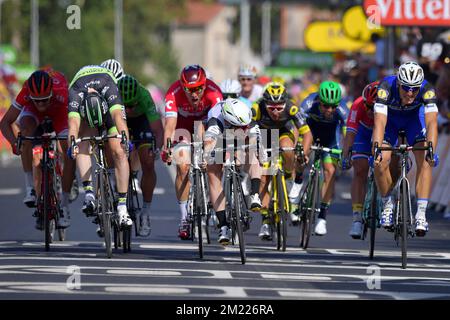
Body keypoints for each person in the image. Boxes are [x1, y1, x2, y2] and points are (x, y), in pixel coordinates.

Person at [2, 70, 75, 229]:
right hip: (32, 115)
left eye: (44, 100)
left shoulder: (62, 91)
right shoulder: (26, 91)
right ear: (31, 96)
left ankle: (64, 205)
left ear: (51, 93)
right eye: (37, 100)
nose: (41, 104)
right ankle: (30, 189)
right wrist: (15, 143)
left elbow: (76, 119)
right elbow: (5, 123)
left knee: (69, 151)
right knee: (25, 136)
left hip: (59, 113)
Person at [372, 61, 439, 236]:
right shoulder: (385, 86)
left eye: (414, 89)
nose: (410, 93)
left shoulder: (427, 89)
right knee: (380, 162)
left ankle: (421, 214)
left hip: (414, 122)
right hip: (390, 123)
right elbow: (379, 122)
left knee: (426, 159)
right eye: (406, 88)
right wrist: (377, 148)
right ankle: (387, 205)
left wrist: (431, 149)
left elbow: (432, 122)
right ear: (399, 83)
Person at [161, 64, 223, 240]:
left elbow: (218, 123)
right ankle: (184, 218)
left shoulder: (214, 91)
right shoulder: (173, 93)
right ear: (182, 87)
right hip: (182, 128)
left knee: (215, 159)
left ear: (205, 84)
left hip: (205, 126)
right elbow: (170, 126)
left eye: (198, 89)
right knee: (182, 165)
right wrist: (167, 146)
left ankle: (216, 204)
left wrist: (213, 148)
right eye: (189, 90)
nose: (194, 94)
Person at [68, 64, 132, 229]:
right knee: (81, 141)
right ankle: (89, 192)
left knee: (118, 150)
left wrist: (126, 139)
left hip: (105, 99)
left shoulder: (109, 85)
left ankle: (123, 207)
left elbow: (118, 117)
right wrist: (72, 143)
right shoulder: (75, 92)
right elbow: (73, 124)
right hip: (86, 107)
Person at [250, 82, 312, 240]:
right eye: (272, 108)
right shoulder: (257, 108)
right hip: (264, 136)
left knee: (287, 149)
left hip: (283, 133)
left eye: (279, 107)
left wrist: (303, 153)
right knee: (264, 177)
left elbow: (307, 134)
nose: (276, 112)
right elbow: (248, 131)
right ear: (265, 104)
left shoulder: (292, 108)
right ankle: (265, 220)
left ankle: (288, 179)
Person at [203, 98, 256, 244]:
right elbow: (209, 143)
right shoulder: (215, 120)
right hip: (220, 137)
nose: (244, 128)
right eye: (241, 127)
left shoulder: (247, 113)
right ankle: (223, 226)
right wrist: (205, 156)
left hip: (237, 135)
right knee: (213, 173)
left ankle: (243, 185)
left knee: (246, 156)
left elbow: (254, 141)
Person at [118, 74, 163, 237]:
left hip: (142, 122)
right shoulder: (114, 97)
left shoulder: (144, 96)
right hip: (119, 120)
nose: (129, 109)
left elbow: (158, 130)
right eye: (126, 106)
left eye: (132, 105)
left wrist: (156, 148)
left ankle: (145, 211)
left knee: (148, 161)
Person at [301, 81, 348, 236]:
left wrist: (346, 152)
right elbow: (296, 126)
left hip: (330, 139)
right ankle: (296, 185)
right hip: (310, 134)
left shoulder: (342, 108)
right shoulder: (308, 102)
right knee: (299, 158)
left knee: (330, 172)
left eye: (333, 106)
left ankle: (322, 217)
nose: (330, 110)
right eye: (325, 106)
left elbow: (348, 132)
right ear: (319, 101)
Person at [341, 81, 379, 239]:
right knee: (360, 169)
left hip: (384, 131)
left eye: (374, 107)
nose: (370, 111)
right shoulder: (357, 105)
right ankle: (357, 218)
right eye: (368, 106)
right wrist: (345, 155)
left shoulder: (390, 106)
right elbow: (350, 133)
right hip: (362, 134)